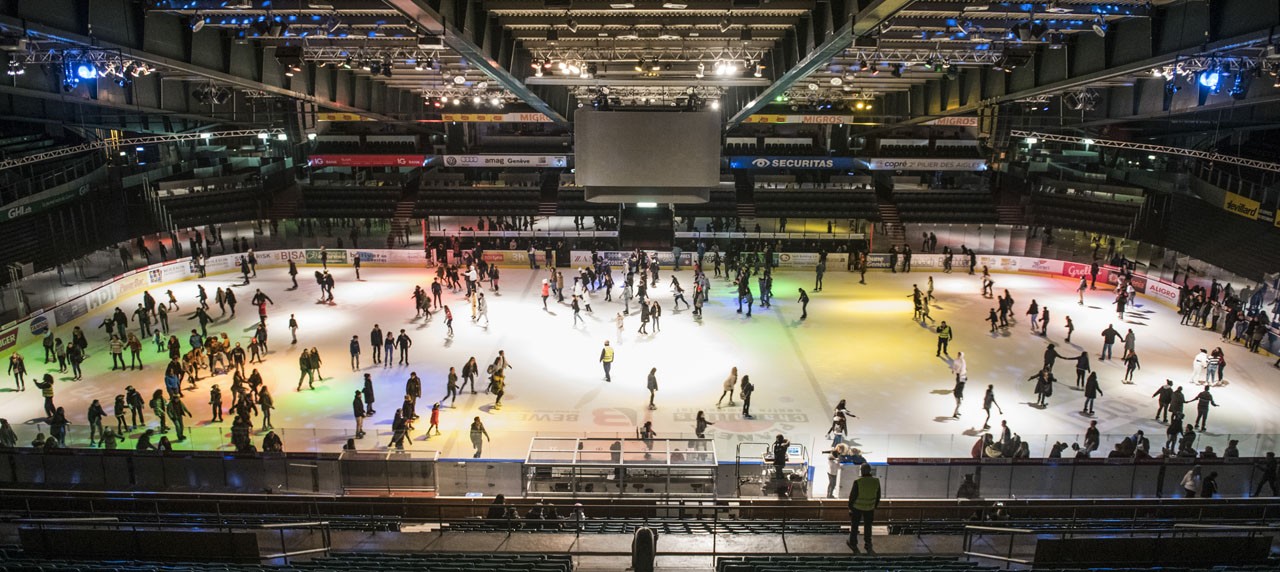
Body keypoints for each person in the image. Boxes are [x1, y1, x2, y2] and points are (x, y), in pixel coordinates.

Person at [847, 463, 880, 554]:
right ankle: (868, 544)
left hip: (857, 508)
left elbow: (852, 497)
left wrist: (850, 507)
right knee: (868, 527)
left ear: (861, 471)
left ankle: (853, 543)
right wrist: (874, 506)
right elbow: (878, 496)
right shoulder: (876, 481)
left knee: (854, 526)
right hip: (870, 508)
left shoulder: (858, 482)